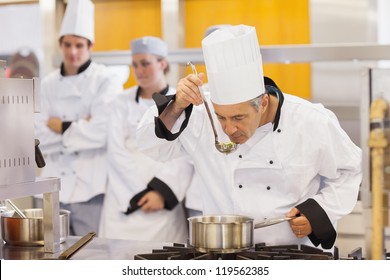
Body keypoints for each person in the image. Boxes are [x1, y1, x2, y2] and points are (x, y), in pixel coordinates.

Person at [136, 24, 362, 249]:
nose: (228, 129)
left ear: (262, 103)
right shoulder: (199, 113)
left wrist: (317, 213)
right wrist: (176, 106)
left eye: (238, 118)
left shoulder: (310, 120)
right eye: (221, 117)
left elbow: (349, 170)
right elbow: (149, 145)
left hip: (294, 251)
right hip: (225, 251)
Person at [34, 0, 123, 236]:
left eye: (79, 45)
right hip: (52, 186)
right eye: (68, 44)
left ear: (90, 46)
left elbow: (102, 133)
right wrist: (81, 126)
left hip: (91, 187)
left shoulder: (105, 79)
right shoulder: (47, 84)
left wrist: (60, 126)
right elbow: (37, 137)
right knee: (48, 251)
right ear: (60, 44)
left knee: (91, 253)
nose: (73, 52)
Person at [98, 36, 192, 242]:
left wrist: (160, 191)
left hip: (162, 203)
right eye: (135, 65)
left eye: (145, 63)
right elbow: (116, 152)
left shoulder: (182, 101)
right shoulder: (120, 102)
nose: (139, 70)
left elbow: (187, 153)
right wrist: (139, 193)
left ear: (162, 63)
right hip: (123, 200)